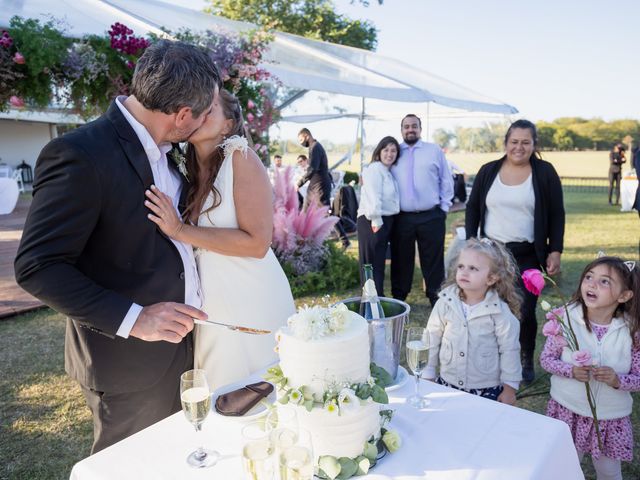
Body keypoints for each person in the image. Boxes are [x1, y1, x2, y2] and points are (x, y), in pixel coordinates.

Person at [13, 41, 218, 453]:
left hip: (183, 349)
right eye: (205, 113)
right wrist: (136, 319)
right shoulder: (79, 153)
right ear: (182, 116)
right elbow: (37, 265)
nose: (207, 122)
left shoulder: (172, 150)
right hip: (128, 363)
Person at [145, 89, 295, 390]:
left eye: (209, 108)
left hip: (252, 295)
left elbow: (257, 243)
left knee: (258, 388)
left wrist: (180, 229)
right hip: (213, 301)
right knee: (220, 389)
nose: (199, 111)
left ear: (228, 125)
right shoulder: (186, 171)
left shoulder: (240, 157)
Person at [465, 119, 565, 384]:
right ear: (506, 143)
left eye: (525, 142)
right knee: (488, 306)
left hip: (528, 254)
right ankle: (490, 357)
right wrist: (471, 242)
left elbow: (556, 213)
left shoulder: (544, 172)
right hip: (490, 253)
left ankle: (524, 358)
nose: (519, 147)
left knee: (524, 309)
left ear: (534, 144)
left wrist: (555, 250)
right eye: (514, 142)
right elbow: (473, 207)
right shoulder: (489, 171)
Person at [540, 256, 640, 480]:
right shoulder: (565, 318)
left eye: (605, 281)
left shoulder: (632, 332)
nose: (592, 284)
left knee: (608, 472)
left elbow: (638, 377)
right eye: (589, 277)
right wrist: (570, 370)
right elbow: (546, 359)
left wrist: (617, 380)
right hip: (567, 409)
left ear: (624, 296)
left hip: (607, 417)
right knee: (563, 467)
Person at [424, 237, 522, 404]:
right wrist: (428, 373)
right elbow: (431, 337)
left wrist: (509, 389)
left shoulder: (499, 312)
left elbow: (510, 349)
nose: (464, 272)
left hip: (486, 390)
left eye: (473, 268)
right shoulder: (446, 302)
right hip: (448, 384)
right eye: (461, 266)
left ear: (491, 278)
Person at [390, 114, 454, 306]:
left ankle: (436, 299)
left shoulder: (433, 150)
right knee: (401, 258)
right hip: (402, 217)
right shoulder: (393, 152)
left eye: (414, 126)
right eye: (406, 126)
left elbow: (446, 179)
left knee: (433, 260)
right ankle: (399, 298)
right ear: (401, 130)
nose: (410, 129)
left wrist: (444, 207)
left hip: (431, 215)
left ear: (420, 129)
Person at [356, 136, 400, 296]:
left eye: (393, 150)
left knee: (378, 263)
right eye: (386, 150)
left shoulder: (387, 171)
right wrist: (376, 220)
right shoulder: (375, 169)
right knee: (370, 264)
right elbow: (373, 196)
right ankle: (370, 301)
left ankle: (378, 299)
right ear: (379, 151)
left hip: (384, 220)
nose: (390, 153)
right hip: (372, 221)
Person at [297, 127, 350, 249]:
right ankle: (303, 241)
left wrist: (299, 183)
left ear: (306, 136)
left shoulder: (316, 147)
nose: (300, 143)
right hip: (313, 186)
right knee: (304, 212)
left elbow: (312, 169)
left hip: (320, 186)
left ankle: (344, 240)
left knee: (325, 213)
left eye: (301, 139)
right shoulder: (312, 147)